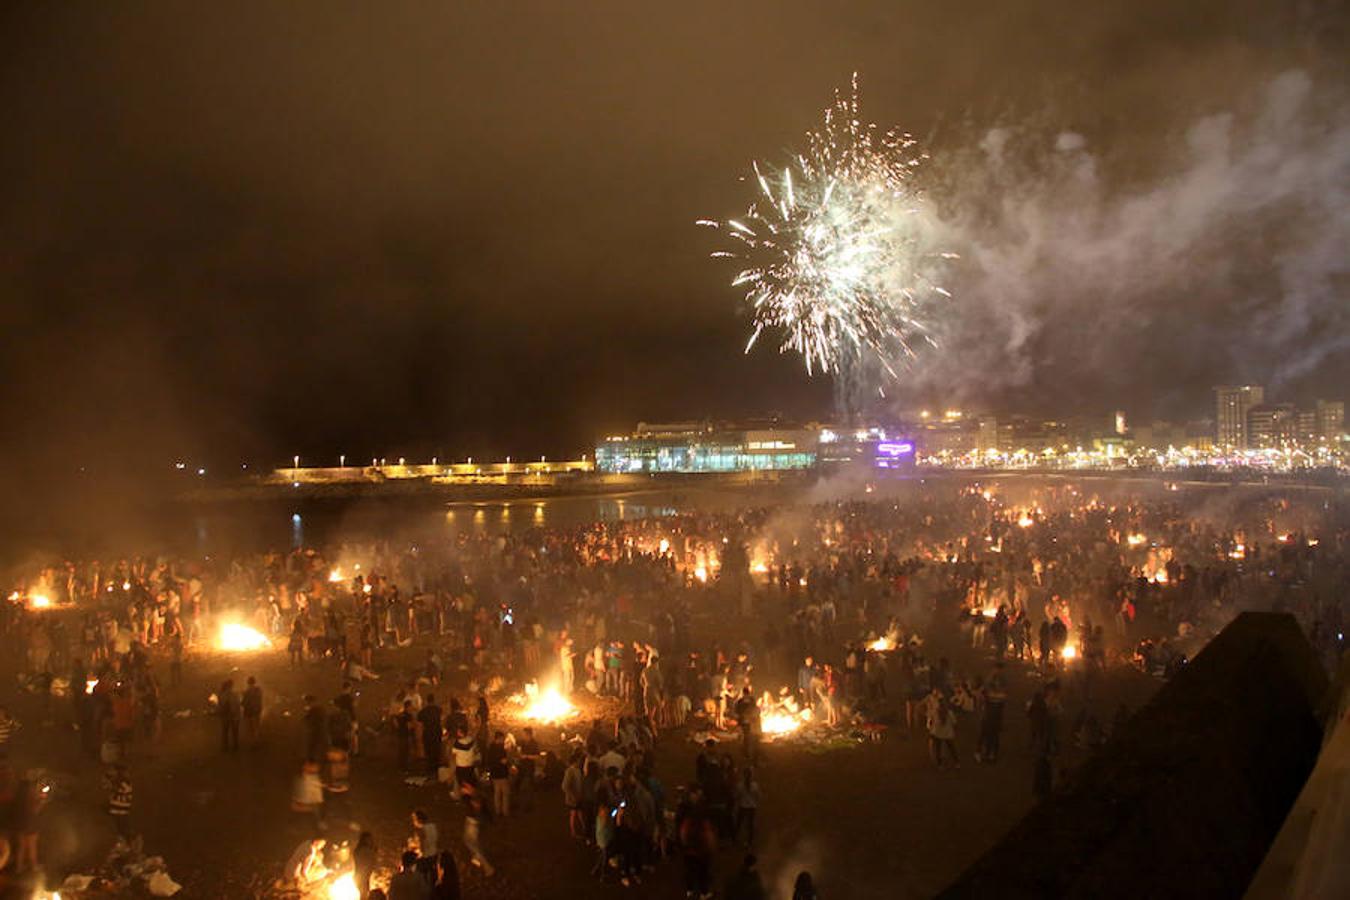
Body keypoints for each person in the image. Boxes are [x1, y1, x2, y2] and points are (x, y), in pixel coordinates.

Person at [460, 782, 494, 876]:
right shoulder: (476, 796)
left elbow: (475, 806)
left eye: (468, 786)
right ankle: (476, 858)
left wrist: (469, 794)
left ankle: (488, 867)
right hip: (471, 821)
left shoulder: (476, 799)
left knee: (473, 845)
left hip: (473, 823)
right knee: (468, 841)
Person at [485, 730, 511, 817]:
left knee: (497, 793)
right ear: (499, 738)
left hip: (494, 774)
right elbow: (504, 761)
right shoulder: (500, 749)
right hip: (502, 773)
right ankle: (505, 811)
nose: (503, 740)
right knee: (505, 793)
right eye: (502, 738)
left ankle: (497, 811)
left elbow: (489, 761)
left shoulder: (490, 748)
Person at [734, 767, 761, 848]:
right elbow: (759, 796)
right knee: (750, 825)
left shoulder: (740, 785)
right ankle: (749, 841)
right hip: (752, 808)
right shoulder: (755, 785)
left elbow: (737, 796)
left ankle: (735, 839)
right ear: (751, 775)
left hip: (742, 807)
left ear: (743, 775)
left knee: (739, 824)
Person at [562, 749, 586, 839]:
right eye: (579, 760)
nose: (580, 762)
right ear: (575, 761)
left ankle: (583, 828)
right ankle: (574, 831)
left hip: (577, 797)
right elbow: (565, 786)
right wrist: (572, 796)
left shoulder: (577, 770)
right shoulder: (570, 771)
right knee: (574, 814)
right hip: (573, 798)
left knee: (578, 813)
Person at [419, 695, 443, 776]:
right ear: (434, 700)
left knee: (428, 750)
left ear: (427, 701)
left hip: (428, 733)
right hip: (437, 732)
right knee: (436, 749)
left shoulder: (423, 711)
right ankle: (436, 768)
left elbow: (420, 722)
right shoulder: (439, 709)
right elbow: (441, 720)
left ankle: (430, 767)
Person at [352, 831, 377, 899]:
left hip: (362, 877)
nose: (371, 840)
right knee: (364, 896)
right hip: (362, 877)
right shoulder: (364, 850)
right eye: (369, 839)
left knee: (364, 895)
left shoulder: (360, 850)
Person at [218, 678, 241, 752]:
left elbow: (220, 705)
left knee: (225, 732)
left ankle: (225, 747)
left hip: (225, 716)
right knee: (235, 732)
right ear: (232, 686)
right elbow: (238, 705)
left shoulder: (222, 694)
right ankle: (235, 746)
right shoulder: (235, 694)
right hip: (234, 716)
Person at [242, 676, 263, 745]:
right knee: (256, 727)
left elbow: (244, 702)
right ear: (254, 682)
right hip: (257, 710)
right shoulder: (258, 690)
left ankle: (252, 742)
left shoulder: (246, 691)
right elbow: (260, 700)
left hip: (249, 712)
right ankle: (256, 741)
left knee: (250, 728)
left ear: (248, 682)